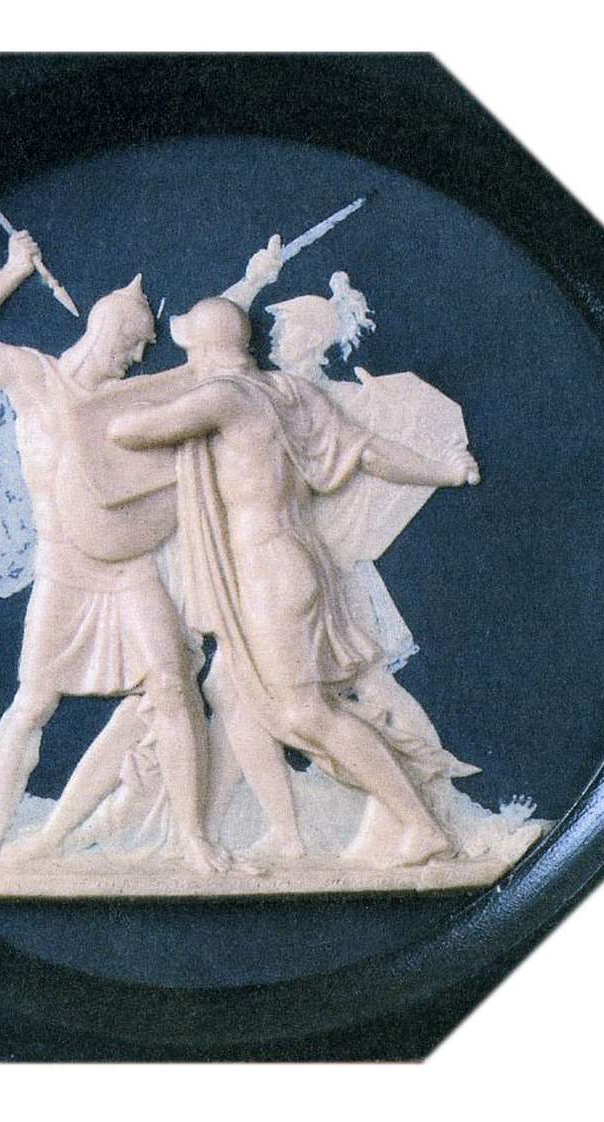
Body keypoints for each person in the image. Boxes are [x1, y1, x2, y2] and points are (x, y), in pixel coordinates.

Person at [107, 295, 480, 866]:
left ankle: (420, 823)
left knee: (306, 713)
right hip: (293, 560)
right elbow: (369, 453)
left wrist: (158, 386)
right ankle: (309, 826)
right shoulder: (291, 393)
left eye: (190, 347)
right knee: (254, 701)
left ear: (202, 348)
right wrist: (441, 471)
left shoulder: (225, 398)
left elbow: (127, 431)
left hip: (266, 570)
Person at [0, 230, 225, 873]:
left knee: (174, 689)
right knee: (34, 701)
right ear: (111, 333)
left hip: (131, 567)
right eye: (137, 344)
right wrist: (14, 269)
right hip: (64, 569)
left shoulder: (136, 400)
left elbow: (212, 369)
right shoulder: (34, 379)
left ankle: (193, 839)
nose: (140, 356)